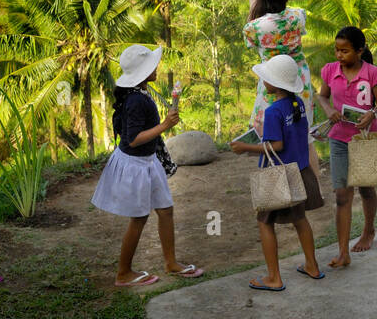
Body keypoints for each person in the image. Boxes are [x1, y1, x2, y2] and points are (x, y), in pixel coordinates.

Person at [92, 44, 205, 287]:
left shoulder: (141, 92)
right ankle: (123, 273)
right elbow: (132, 139)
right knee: (139, 218)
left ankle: (171, 263)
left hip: (148, 161)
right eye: (152, 65)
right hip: (135, 165)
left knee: (165, 210)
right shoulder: (135, 100)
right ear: (142, 72)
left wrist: (163, 124)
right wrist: (165, 125)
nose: (156, 67)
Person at [230, 54, 326, 289]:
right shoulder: (297, 104)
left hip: (279, 176)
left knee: (264, 223)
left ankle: (273, 277)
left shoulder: (273, 111)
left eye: (267, 78)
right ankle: (312, 265)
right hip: (300, 171)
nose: (264, 81)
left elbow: (276, 146)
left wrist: (245, 147)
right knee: (300, 219)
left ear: (276, 84)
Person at [316, 26, 377, 268]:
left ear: (359, 50)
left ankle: (368, 230)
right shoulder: (329, 71)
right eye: (336, 50)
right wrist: (329, 111)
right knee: (342, 195)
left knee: (366, 189)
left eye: (344, 51)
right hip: (339, 139)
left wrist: (372, 114)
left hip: (365, 139)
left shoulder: (373, 74)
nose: (339, 55)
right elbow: (322, 97)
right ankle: (343, 251)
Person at [244, 0, 319, 173]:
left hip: (271, 82)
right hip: (299, 79)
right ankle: (312, 188)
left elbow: (251, 44)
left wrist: (254, 7)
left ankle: (276, 188)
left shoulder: (253, 27)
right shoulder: (298, 16)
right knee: (305, 136)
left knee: (269, 132)